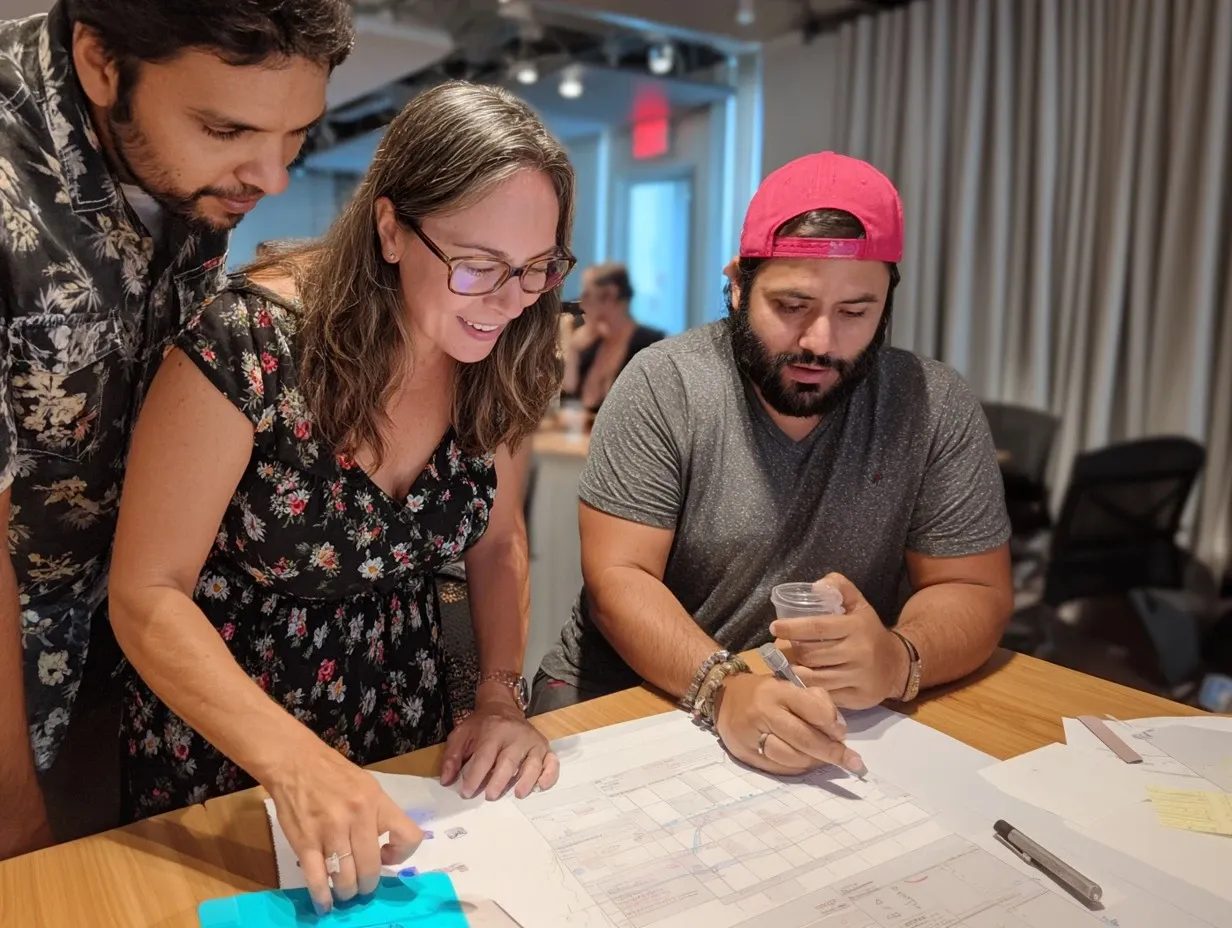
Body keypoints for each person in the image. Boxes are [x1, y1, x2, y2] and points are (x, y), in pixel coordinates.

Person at [107, 80, 576, 916]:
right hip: (234, 754)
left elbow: (499, 543)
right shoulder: (248, 346)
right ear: (391, 229)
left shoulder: (503, 351)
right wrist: (293, 763)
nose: (509, 301)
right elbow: (146, 594)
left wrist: (499, 696)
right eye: (477, 266)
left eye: (537, 268)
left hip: (406, 737)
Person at [0, 0, 353, 860]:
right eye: (225, 129)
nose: (271, 177)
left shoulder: (190, 169)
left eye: (297, 135)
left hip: (125, 650)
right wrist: (11, 809)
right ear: (100, 63)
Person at [533, 152, 1013, 777]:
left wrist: (899, 659)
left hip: (828, 715)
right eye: (791, 306)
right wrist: (723, 688)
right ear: (737, 286)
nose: (820, 341)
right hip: (627, 691)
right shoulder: (666, 384)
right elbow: (618, 579)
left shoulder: (931, 403)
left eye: (855, 312)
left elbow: (973, 587)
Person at [559, 263, 664, 411]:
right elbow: (569, 399)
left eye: (587, 294)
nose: (581, 302)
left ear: (610, 295)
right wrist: (573, 349)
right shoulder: (592, 341)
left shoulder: (650, 345)